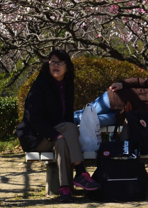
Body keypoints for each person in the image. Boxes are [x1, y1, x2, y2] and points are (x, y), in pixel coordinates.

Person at [15, 50, 100, 201]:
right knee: (69, 128)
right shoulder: (40, 85)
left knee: (61, 142)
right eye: (52, 62)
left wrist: (59, 136)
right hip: (35, 136)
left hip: (55, 134)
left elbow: (66, 115)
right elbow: (33, 118)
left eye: (60, 62)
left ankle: (65, 189)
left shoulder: (67, 86)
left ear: (67, 66)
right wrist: (54, 134)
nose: (56, 65)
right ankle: (80, 172)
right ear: (47, 65)